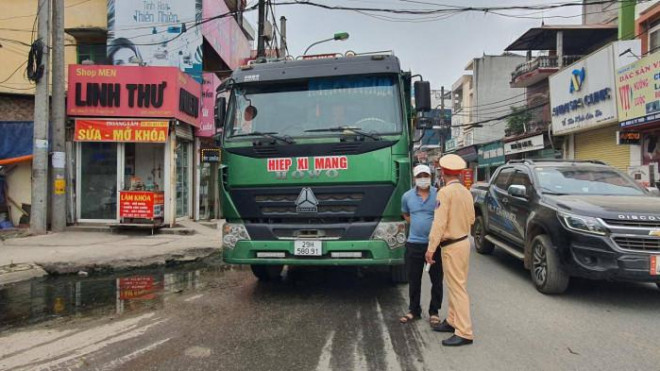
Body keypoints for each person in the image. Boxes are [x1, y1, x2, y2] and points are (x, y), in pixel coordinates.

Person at [425, 154, 476, 347]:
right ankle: (453, 321)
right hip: (463, 242)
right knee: (456, 285)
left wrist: (431, 249)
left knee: (457, 289)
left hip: (451, 245)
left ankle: (464, 332)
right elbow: (471, 219)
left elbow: (439, 224)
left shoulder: (444, 193)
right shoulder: (465, 192)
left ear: (443, 172)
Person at [399, 164, 444, 328]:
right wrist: (417, 224)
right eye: (419, 176)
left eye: (425, 175)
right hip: (414, 245)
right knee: (414, 279)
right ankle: (414, 310)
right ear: (415, 178)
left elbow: (443, 216)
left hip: (434, 246)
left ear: (430, 176)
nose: (423, 178)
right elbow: (405, 213)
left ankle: (434, 312)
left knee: (437, 280)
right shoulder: (407, 196)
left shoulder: (439, 195)